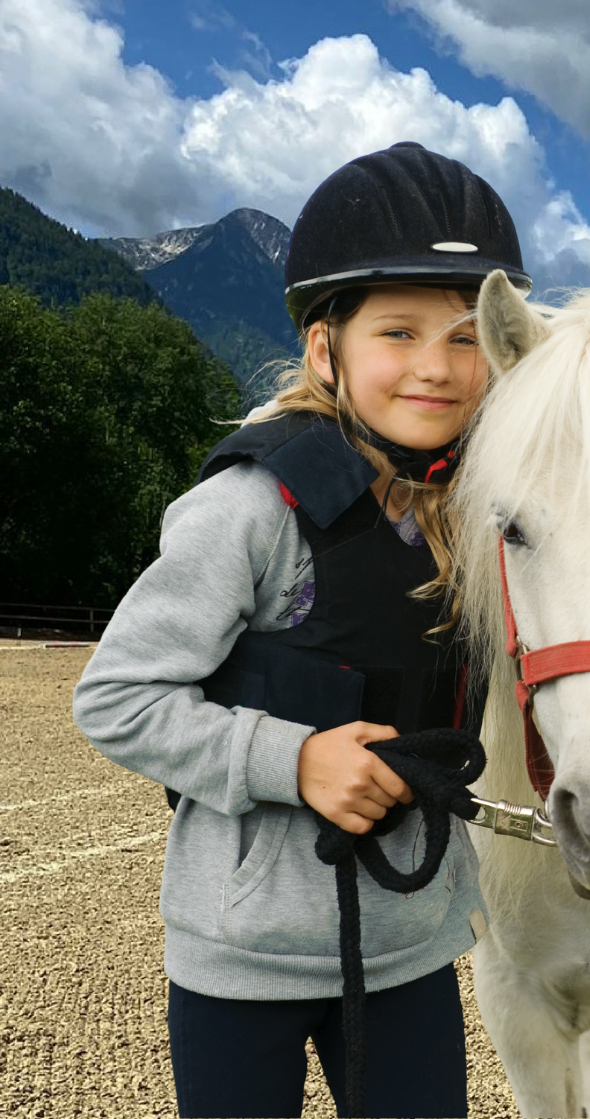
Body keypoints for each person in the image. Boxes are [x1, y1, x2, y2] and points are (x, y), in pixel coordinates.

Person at [72, 142, 531, 1118]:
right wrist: (296, 761)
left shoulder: (483, 515)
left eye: (463, 340)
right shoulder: (253, 506)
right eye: (399, 334)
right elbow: (115, 697)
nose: (437, 369)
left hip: (409, 950)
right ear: (328, 348)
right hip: (243, 959)